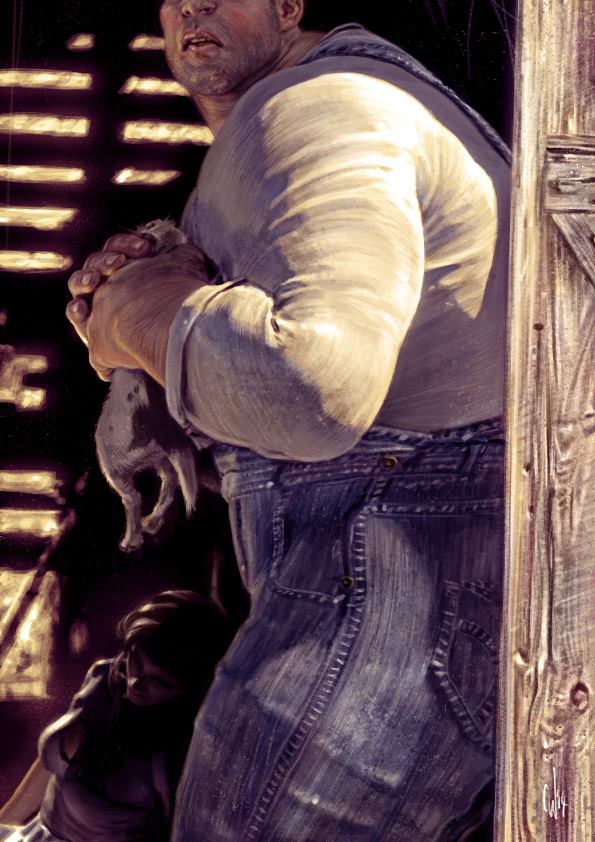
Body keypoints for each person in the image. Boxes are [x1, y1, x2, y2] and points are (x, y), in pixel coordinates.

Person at [65, 0, 511, 839]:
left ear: (287, 5)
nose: (192, 6)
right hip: (425, 583)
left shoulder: (317, 106)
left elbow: (312, 387)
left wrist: (138, 311)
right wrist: (159, 339)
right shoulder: (328, 105)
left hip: (391, 585)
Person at [0, 591, 230, 842]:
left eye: (160, 682)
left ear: (186, 690)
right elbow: (53, 774)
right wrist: (5, 820)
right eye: (137, 662)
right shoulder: (103, 679)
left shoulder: (181, 746)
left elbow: (172, 829)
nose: (136, 682)